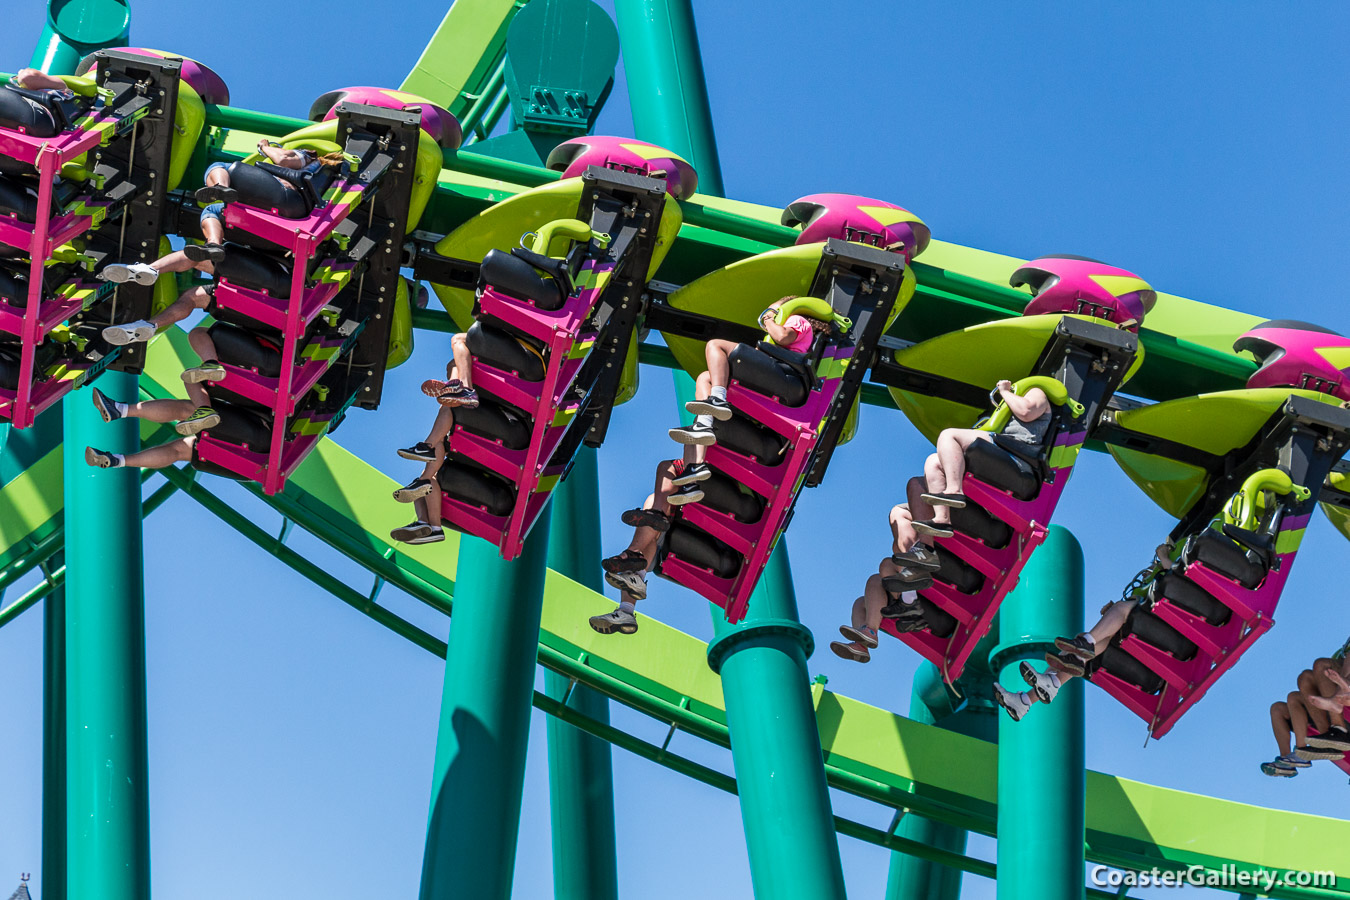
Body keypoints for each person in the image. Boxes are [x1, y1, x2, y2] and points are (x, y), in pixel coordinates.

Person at [669, 295, 833, 445]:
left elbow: (782, 337)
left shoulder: (798, 320)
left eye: (772, 311)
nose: (768, 316)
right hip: (778, 372)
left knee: (716, 345)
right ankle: (704, 424)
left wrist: (768, 320)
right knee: (705, 378)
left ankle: (718, 398)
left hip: (786, 375)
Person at [587, 449, 710, 635]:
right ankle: (627, 608)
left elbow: (675, 469)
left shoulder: (702, 461)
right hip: (676, 525)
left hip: (696, 516)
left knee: (656, 497)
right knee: (653, 518)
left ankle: (632, 555)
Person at [915, 378, 1051, 536]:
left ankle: (954, 490)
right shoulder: (1009, 403)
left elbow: (1026, 411)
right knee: (933, 462)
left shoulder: (1037, 392)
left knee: (949, 435)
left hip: (1019, 456)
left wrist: (1005, 391)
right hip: (1002, 448)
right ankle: (942, 519)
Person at [830, 478, 944, 662]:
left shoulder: (927, 522)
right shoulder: (915, 522)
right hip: (905, 579)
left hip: (922, 576)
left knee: (887, 564)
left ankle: (908, 601)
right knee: (864, 598)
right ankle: (867, 636)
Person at [83, 326, 226, 468]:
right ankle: (117, 460)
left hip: (240, 424)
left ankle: (121, 410)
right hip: (240, 461)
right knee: (178, 451)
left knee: (188, 396)